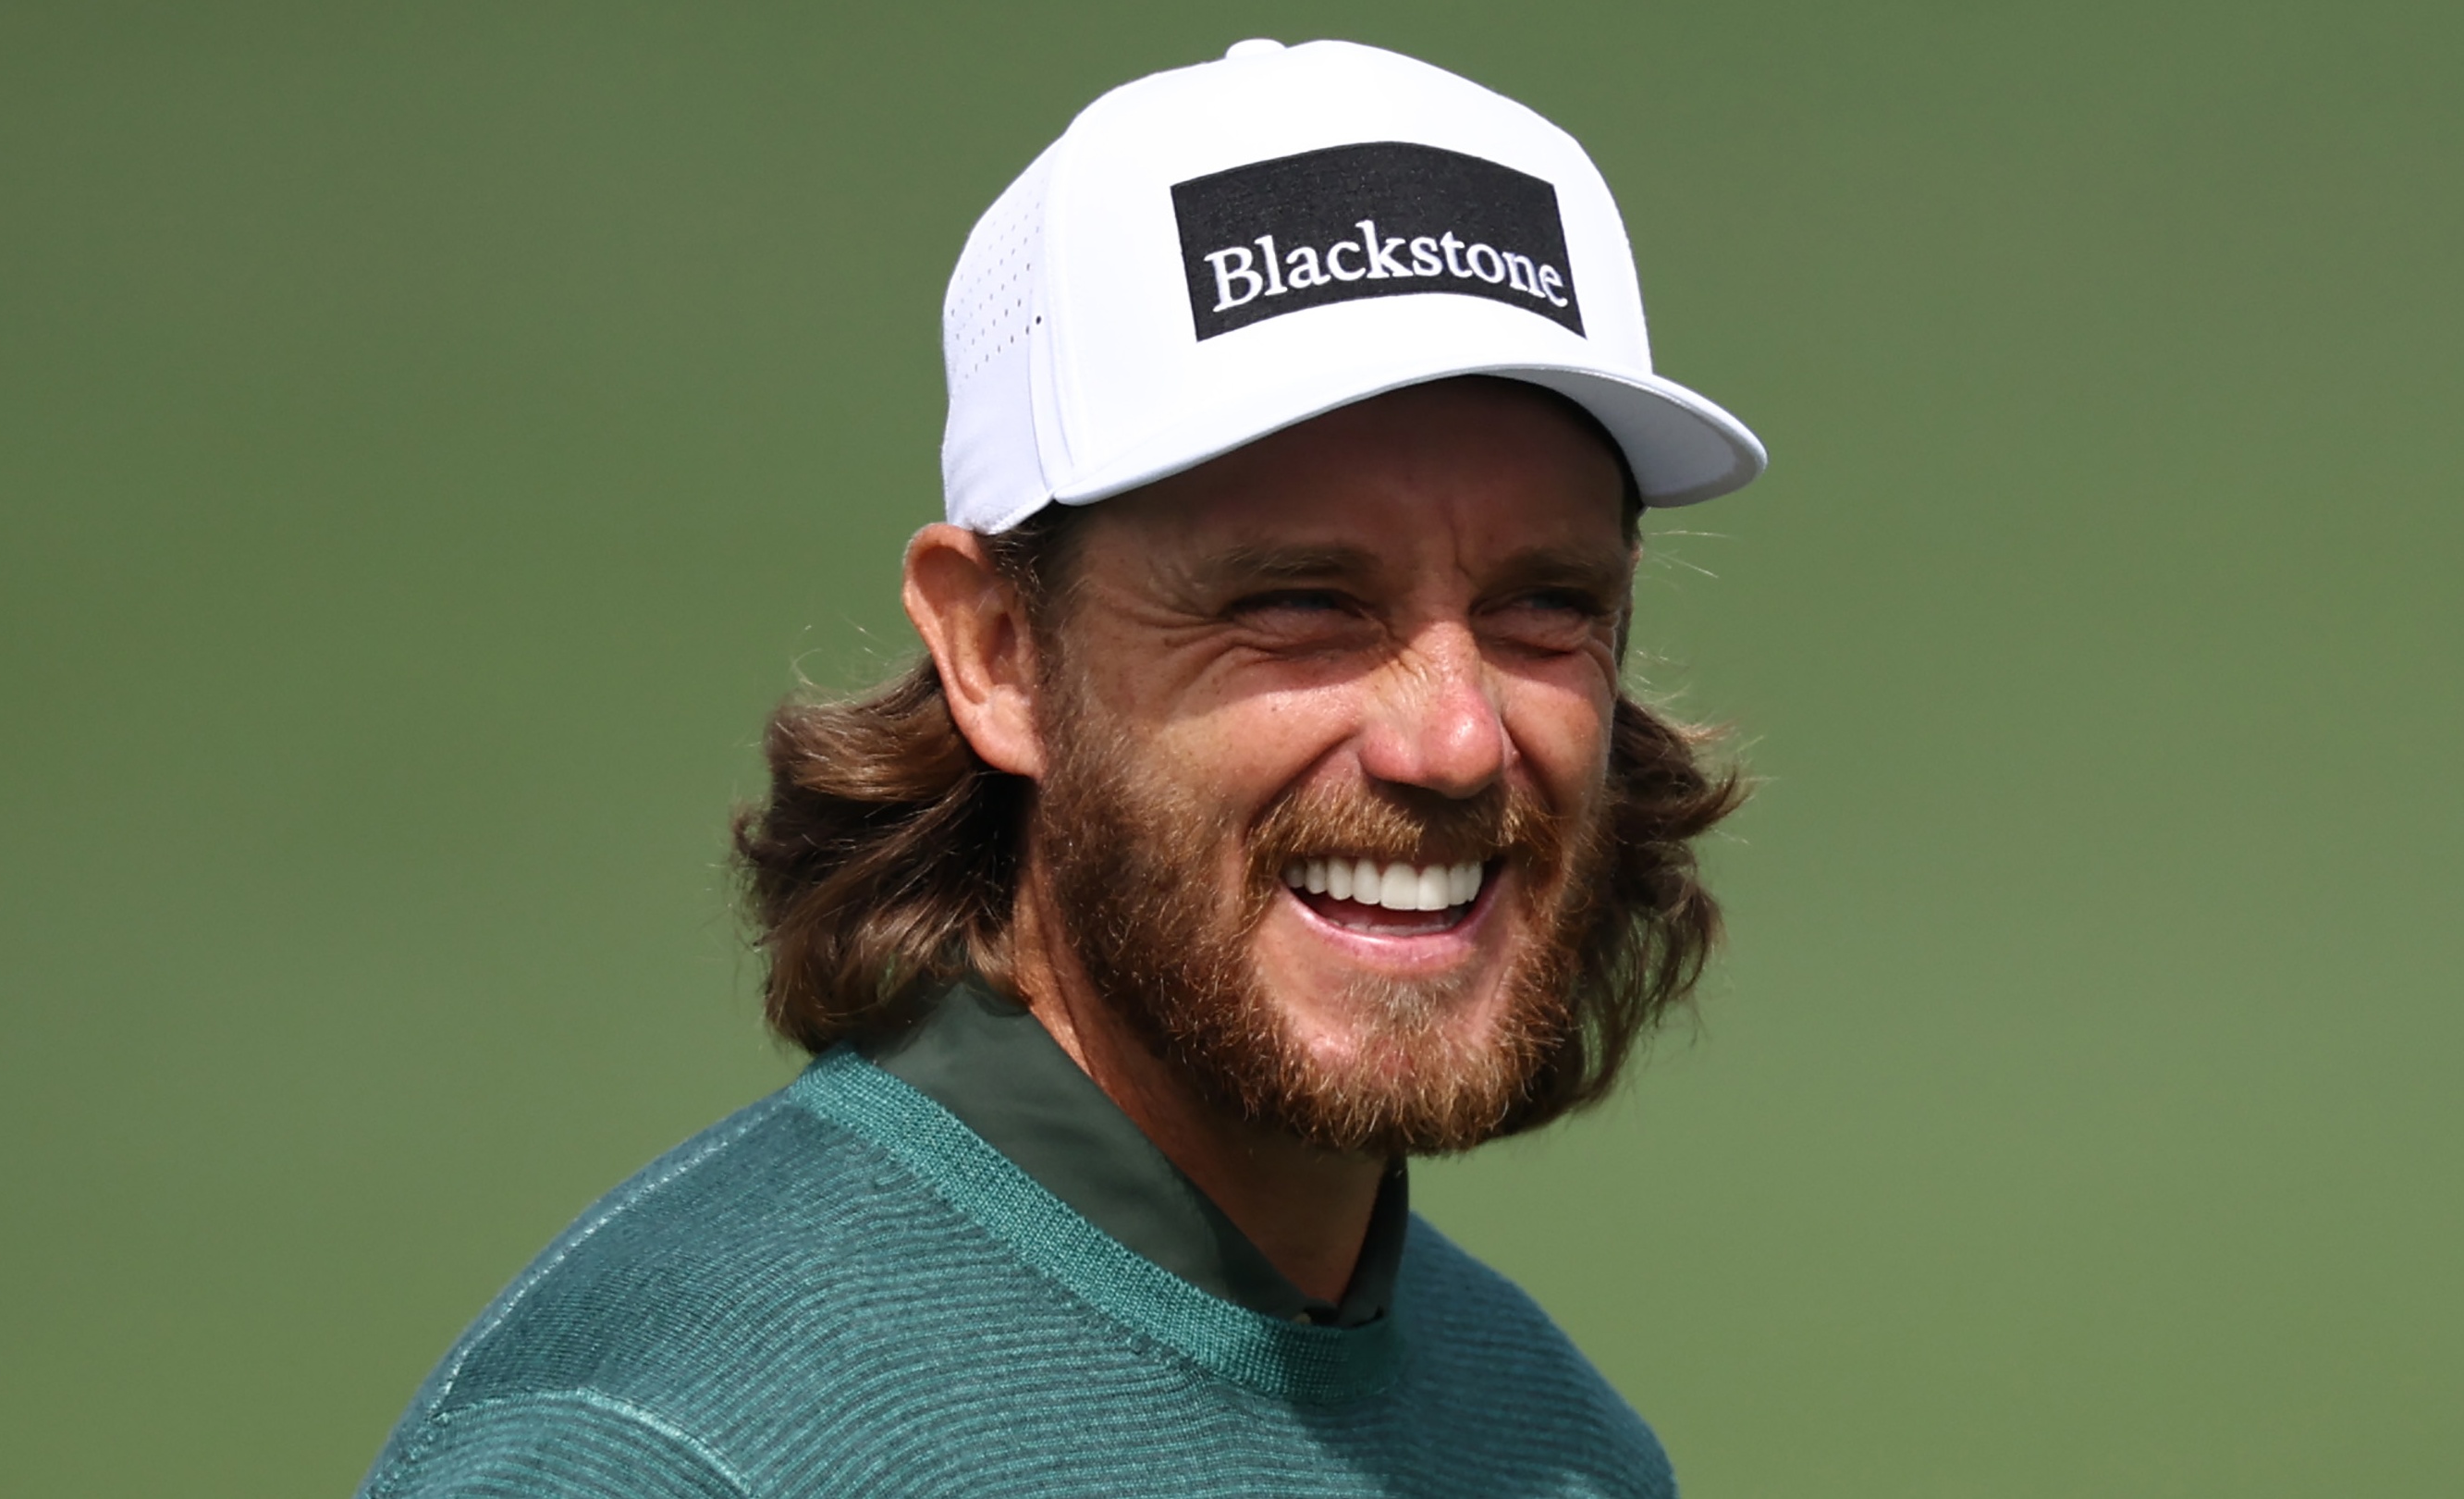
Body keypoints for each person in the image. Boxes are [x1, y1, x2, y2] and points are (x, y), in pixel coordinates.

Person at [359, 37, 1764, 1499]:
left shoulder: (1554, 1444)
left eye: (1546, 604)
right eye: (1298, 601)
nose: (1455, 737)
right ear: (998, 654)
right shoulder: (662, 1453)